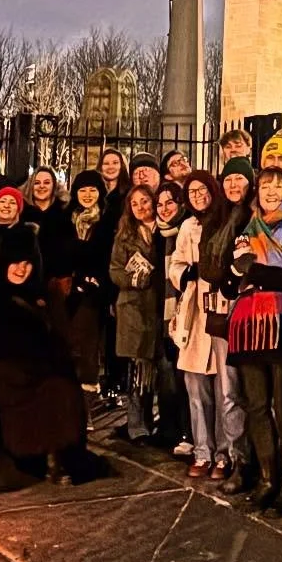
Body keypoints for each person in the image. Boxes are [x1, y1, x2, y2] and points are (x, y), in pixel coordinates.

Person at [0, 241, 90, 491]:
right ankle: (35, 456)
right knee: (39, 391)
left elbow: (54, 336)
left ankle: (57, 455)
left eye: (27, 264)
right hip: (4, 372)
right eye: (16, 263)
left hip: (37, 367)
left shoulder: (40, 294)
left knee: (63, 388)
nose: (21, 269)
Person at [225, 162, 282, 510]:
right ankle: (267, 476)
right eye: (265, 187)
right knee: (256, 405)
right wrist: (249, 272)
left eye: (278, 187)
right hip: (247, 327)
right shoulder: (246, 228)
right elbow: (232, 276)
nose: (271, 193)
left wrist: (254, 271)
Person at [170, 169, 245, 481]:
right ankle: (203, 449)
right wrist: (185, 274)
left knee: (226, 388)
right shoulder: (187, 226)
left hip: (220, 308)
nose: (198, 195)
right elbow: (175, 263)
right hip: (194, 313)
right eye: (193, 191)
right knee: (197, 389)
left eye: (203, 189)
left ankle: (226, 453)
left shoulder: (227, 220)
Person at [109, 185, 163, 444]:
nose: (142, 207)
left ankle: (154, 422)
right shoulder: (125, 235)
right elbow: (115, 270)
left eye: (145, 201)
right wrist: (137, 278)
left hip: (158, 307)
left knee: (155, 369)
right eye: (135, 203)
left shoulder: (165, 229)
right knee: (137, 370)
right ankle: (136, 425)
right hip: (133, 307)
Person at [64, 170, 111, 396]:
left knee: (87, 347)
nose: (87, 194)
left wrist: (81, 252)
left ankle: (86, 403)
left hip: (94, 291)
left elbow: (103, 254)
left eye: (92, 190)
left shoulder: (107, 218)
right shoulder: (66, 217)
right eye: (82, 190)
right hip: (68, 290)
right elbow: (62, 252)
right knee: (69, 346)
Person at [151, 182, 191, 451]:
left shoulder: (186, 229)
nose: (164, 209)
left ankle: (187, 433)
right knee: (167, 375)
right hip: (161, 314)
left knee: (184, 378)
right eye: (160, 204)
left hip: (183, 312)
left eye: (170, 203)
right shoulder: (157, 232)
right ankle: (170, 428)